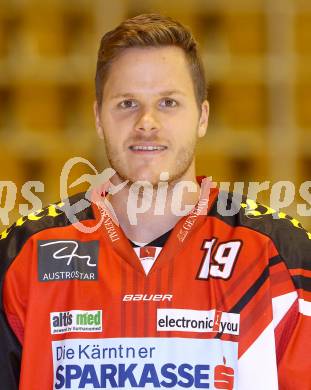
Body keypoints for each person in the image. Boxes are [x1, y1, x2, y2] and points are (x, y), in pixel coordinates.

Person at [0, 13, 310, 390]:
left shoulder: (279, 257)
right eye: (127, 103)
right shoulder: (25, 255)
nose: (146, 121)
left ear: (203, 117)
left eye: (168, 102)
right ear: (99, 118)